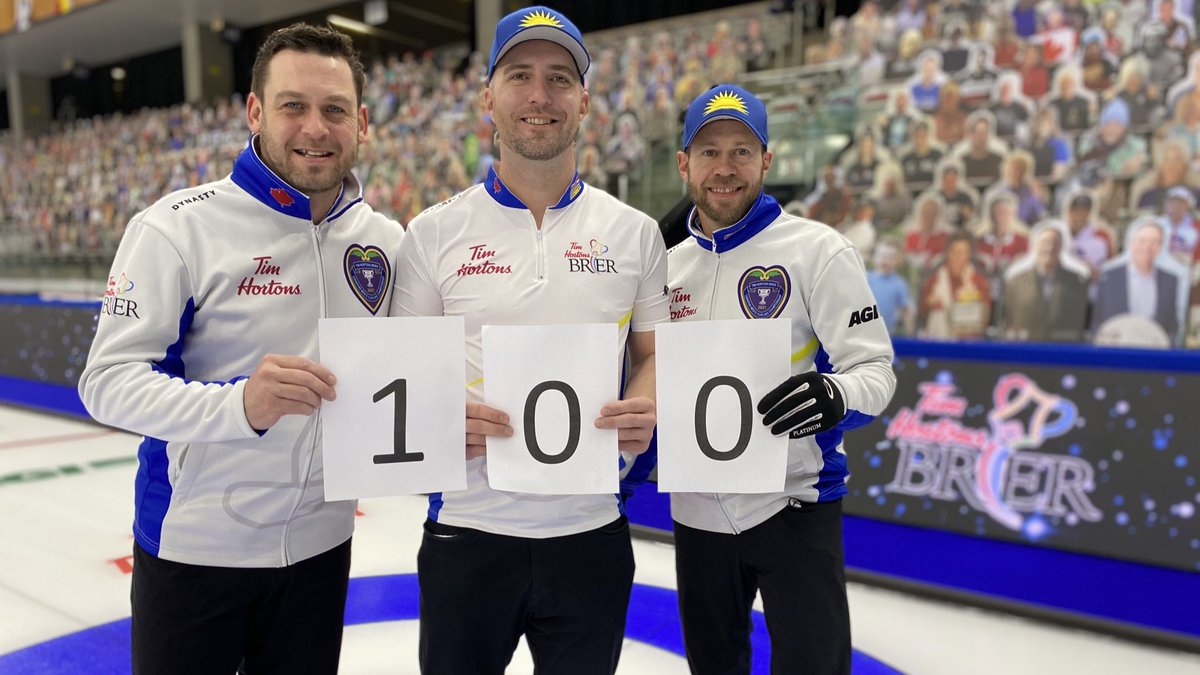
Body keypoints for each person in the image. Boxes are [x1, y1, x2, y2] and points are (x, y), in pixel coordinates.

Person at [76, 23, 404, 674]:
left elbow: (411, 373)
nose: (315, 126)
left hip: (321, 550)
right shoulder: (175, 229)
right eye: (294, 106)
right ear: (255, 111)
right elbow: (106, 381)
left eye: (335, 109)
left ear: (362, 122)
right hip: (194, 553)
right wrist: (241, 407)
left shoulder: (387, 241)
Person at [388, 7, 668, 673]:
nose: (539, 96)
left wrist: (644, 402)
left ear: (585, 103)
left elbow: (654, 354)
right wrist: (433, 421)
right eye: (520, 76)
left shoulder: (635, 234)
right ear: (488, 96)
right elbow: (395, 378)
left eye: (558, 79)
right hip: (467, 530)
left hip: (592, 534)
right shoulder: (432, 232)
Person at [666, 84, 896, 675]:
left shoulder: (818, 250)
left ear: (767, 161)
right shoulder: (665, 269)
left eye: (742, 151)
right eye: (709, 152)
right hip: (698, 517)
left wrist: (835, 393)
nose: (725, 169)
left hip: (795, 505)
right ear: (683, 164)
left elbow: (876, 371)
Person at [1092, 217, 1181, 342]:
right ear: (1131, 243)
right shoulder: (1109, 277)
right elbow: (1098, 319)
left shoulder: (1170, 281)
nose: (1147, 247)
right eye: (1142, 241)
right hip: (1115, 351)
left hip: (1155, 353)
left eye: (1155, 242)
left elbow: (1172, 323)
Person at [1001, 223, 1090, 342]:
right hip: (1025, 352)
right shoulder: (1015, 282)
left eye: (1055, 243)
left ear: (1061, 247)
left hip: (1062, 352)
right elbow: (1006, 322)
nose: (1049, 248)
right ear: (1035, 246)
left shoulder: (1078, 283)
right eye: (1045, 243)